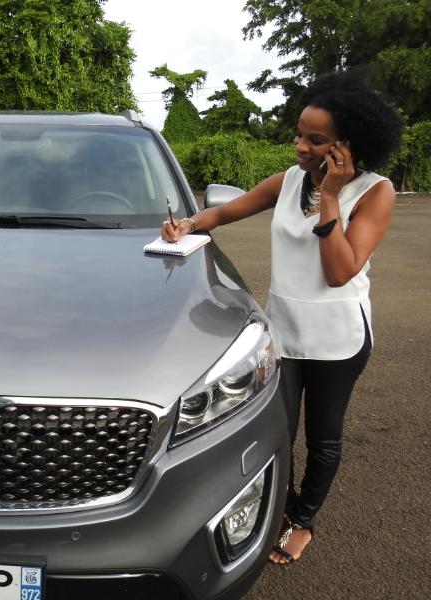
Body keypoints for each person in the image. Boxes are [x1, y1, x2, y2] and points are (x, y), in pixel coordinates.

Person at [161, 69, 403, 564]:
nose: (300, 146)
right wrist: (186, 224)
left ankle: (303, 520)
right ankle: (277, 507)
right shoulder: (288, 181)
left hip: (338, 338)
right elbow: (224, 213)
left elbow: (340, 271)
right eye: (298, 134)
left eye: (315, 140)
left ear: (346, 145)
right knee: (277, 432)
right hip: (284, 332)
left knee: (323, 438)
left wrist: (330, 197)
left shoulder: (375, 192)